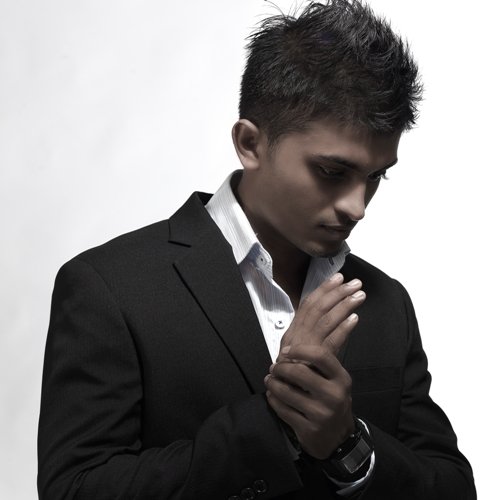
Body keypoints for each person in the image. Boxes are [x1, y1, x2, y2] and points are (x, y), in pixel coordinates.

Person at [37, 1, 476, 498]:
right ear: (250, 144)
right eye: (332, 172)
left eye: (376, 177)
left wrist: (348, 444)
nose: (357, 207)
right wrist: (276, 425)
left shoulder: (385, 301)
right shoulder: (110, 288)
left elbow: (453, 488)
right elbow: (76, 489)